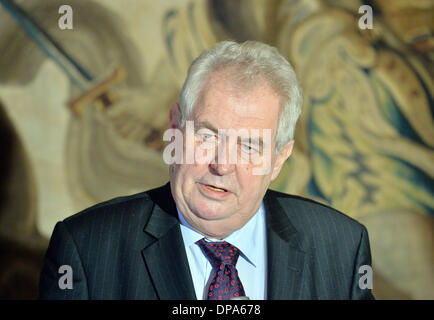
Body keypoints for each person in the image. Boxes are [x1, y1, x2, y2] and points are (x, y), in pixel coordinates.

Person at [39, 40, 374, 300]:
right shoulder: (87, 250)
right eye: (207, 136)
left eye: (249, 146)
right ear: (174, 127)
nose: (221, 164)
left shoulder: (341, 248)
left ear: (278, 159)